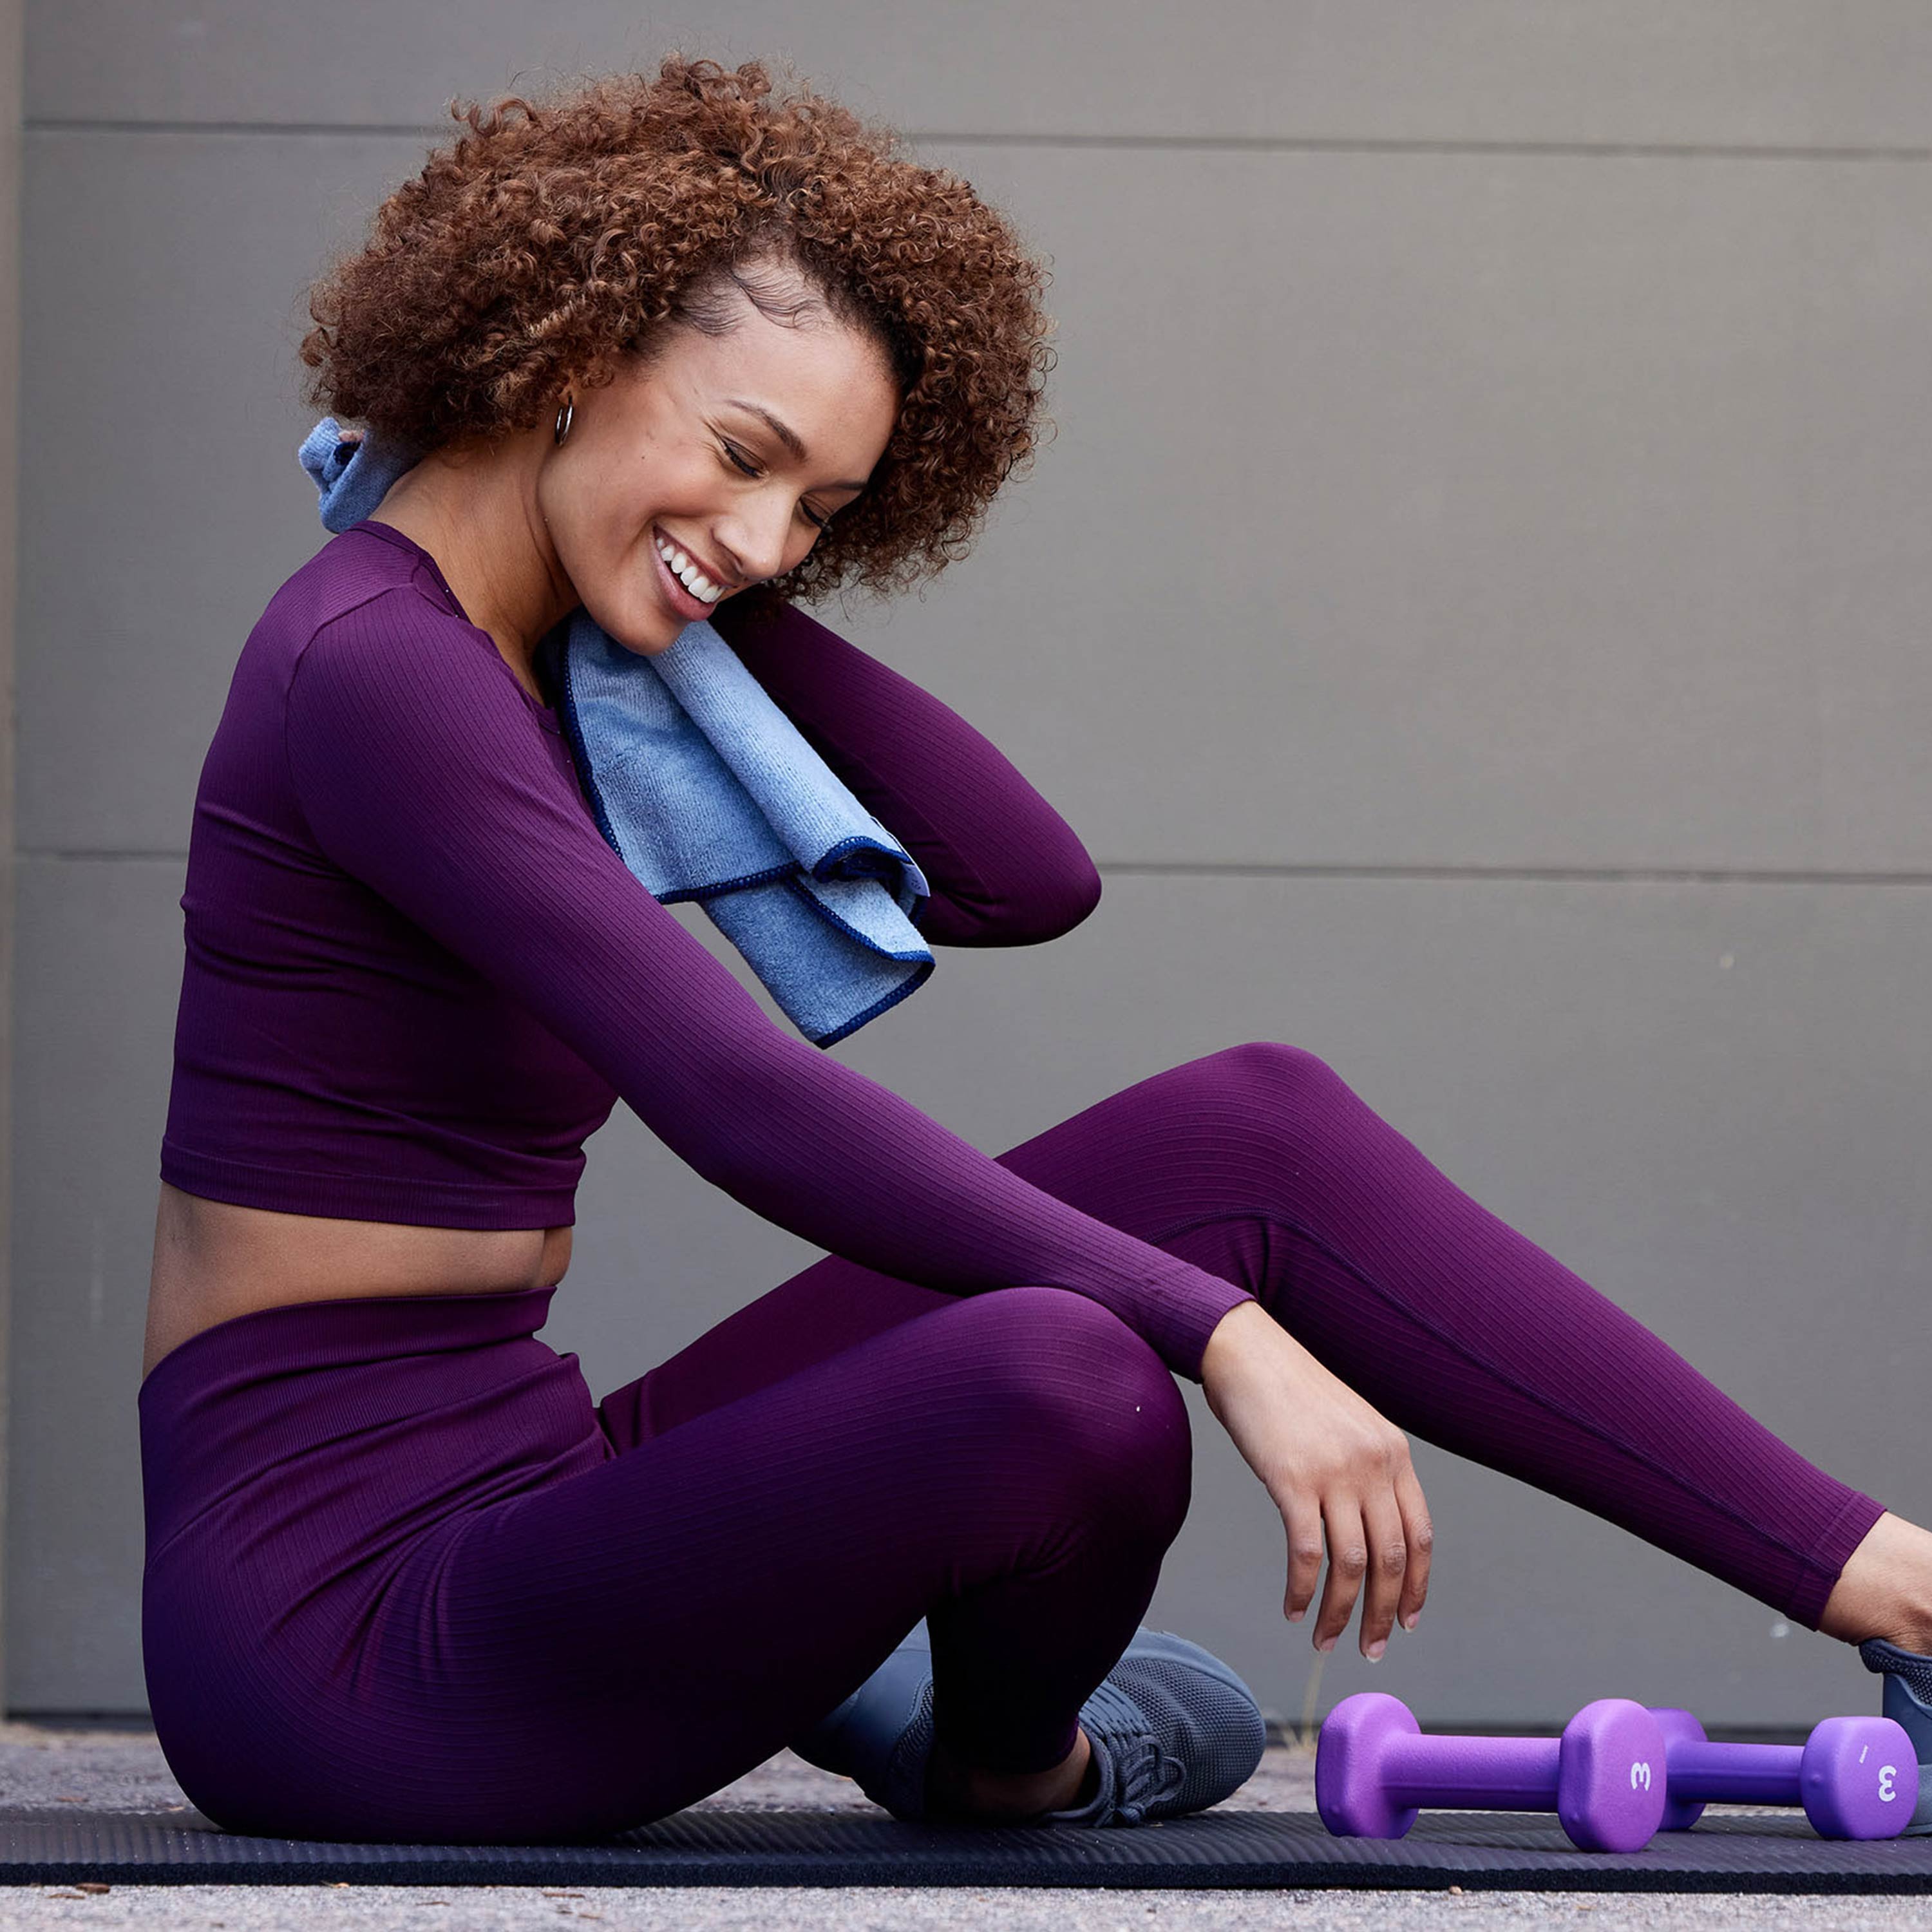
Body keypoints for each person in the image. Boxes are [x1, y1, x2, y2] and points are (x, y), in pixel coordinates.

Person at [138, 54, 1932, 1848]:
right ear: (561, 357)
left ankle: (1901, 1587)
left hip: (532, 1478)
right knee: (1075, 1378)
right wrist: (1222, 1336)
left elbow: (1016, 875)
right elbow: (738, 1095)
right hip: (343, 1648)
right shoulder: (374, 668)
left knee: (1260, 1132)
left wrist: (701, 573)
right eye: (744, 454)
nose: (771, 539)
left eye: (824, 511)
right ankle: (1004, 1764)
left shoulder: (557, 654)